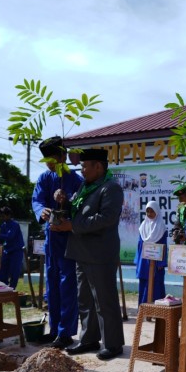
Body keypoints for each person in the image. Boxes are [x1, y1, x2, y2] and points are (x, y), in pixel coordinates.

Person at [51, 148, 125, 360]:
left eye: (85, 166)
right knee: (85, 299)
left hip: (100, 253)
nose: (82, 170)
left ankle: (113, 344)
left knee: (104, 300)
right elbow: (77, 210)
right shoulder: (86, 186)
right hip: (81, 251)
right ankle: (89, 338)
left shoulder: (111, 188)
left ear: (98, 166)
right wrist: (63, 201)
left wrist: (71, 226)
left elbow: (106, 219)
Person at [32, 136, 83, 348]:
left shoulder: (77, 180)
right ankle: (53, 329)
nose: (51, 165)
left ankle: (65, 333)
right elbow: (36, 200)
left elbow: (81, 206)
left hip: (69, 240)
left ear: (63, 156)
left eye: (54, 159)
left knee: (67, 285)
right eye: (47, 161)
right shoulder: (44, 177)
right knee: (51, 286)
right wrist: (40, 210)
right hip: (50, 239)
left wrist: (67, 199)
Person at [135, 200, 167, 304]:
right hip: (144, 260)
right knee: (144, 283)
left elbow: (163, 246)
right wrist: (138, 261)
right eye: (147, 211)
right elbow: (140, 245)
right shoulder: (143, 227)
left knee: (156, 283)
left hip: (157, 261)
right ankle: (144, 309)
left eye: (152, 211)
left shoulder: (162, 227)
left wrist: (161, 262)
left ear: (157, 211)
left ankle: (157, 311)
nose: (149, 214)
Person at [0, 207, 25, 289]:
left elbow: (10, 237)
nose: (1, 218)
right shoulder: (3, 225)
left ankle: (12, 288)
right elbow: (1, 239)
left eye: (3, 216)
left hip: (16, 251)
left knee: (14, 271)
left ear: (9, 215)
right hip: (7, 250)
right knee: (2, 269)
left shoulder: (15, 224)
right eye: (0, 216)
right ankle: (3, 287)